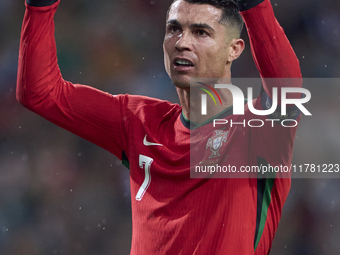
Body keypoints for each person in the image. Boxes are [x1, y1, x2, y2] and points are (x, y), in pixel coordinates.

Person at [17, 0, 302, 254]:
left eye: (201, 32)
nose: (182, 42)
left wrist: (255, 7)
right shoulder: (139, 120)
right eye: (174, 29)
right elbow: (40, 92)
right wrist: (40, 6)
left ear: (234, 50)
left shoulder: (258, 129)